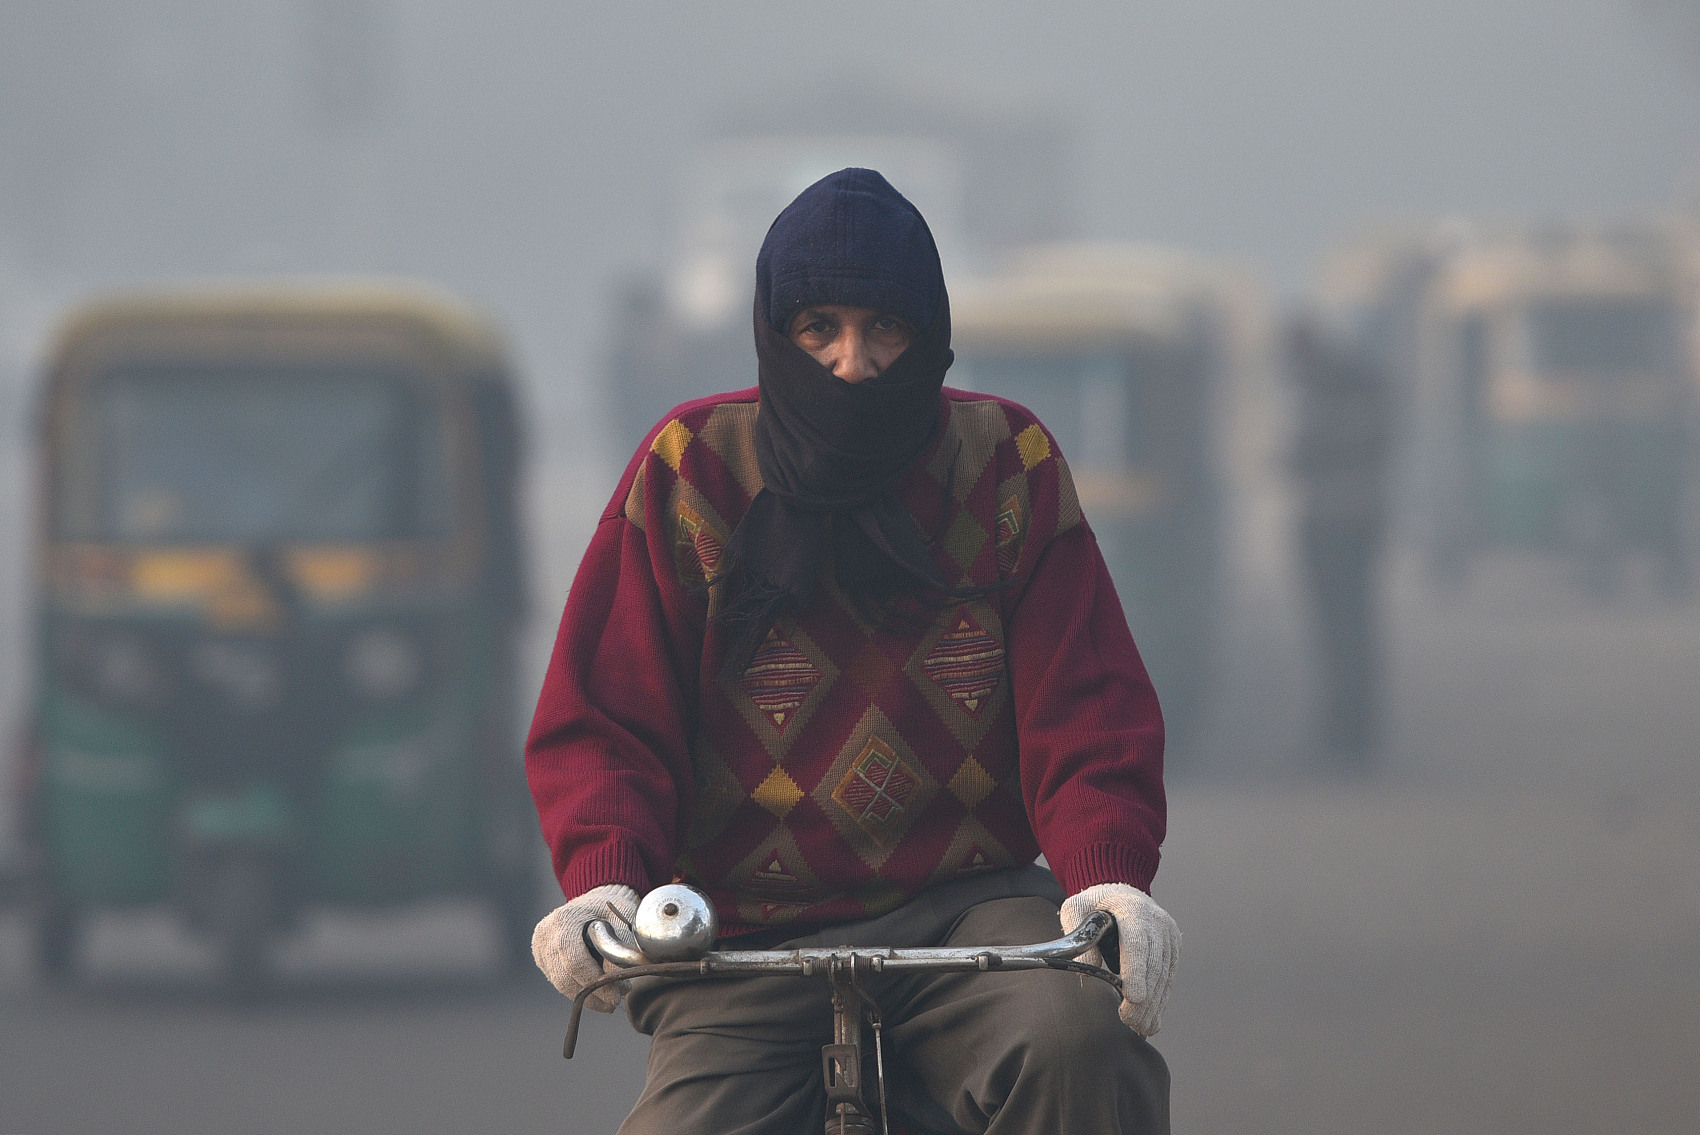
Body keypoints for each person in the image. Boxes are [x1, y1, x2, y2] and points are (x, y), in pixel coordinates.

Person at [527, 168, 1179, 1133]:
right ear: (773, 334)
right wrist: (601, 881)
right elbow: (604, 717)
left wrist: (1109, 875)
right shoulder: (690, 468)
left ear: (930, 333)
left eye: (885, 329)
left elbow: (1086, 707)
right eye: (818, 329)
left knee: (1079, 1041)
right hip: (735, 934)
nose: (852, 362)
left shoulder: (1009, 460)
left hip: (972, 915)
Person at [1286, 315, 1393, 763]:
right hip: (1336, 521)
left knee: (1345, 632)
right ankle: (1342, 730)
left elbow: (1312, 449)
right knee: (1339, 634)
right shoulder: (1341, 387)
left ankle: (1351, 735)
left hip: (1345, 523)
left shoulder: (1354, 390)